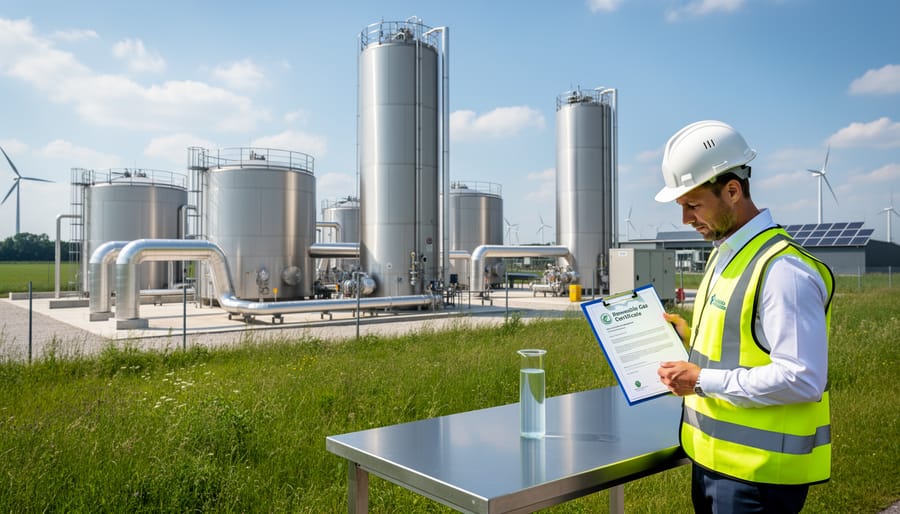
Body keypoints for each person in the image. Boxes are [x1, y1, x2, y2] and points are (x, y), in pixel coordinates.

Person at [654, 120, 834, 513]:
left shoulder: (783, 270)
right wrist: (688, 341)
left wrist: (700, 379)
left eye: (693, 204)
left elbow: (802, 379)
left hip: (757, 479)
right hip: (712, 462)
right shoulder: (726, 255)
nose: (685, 219)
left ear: (733, 190)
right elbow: (741, 344)